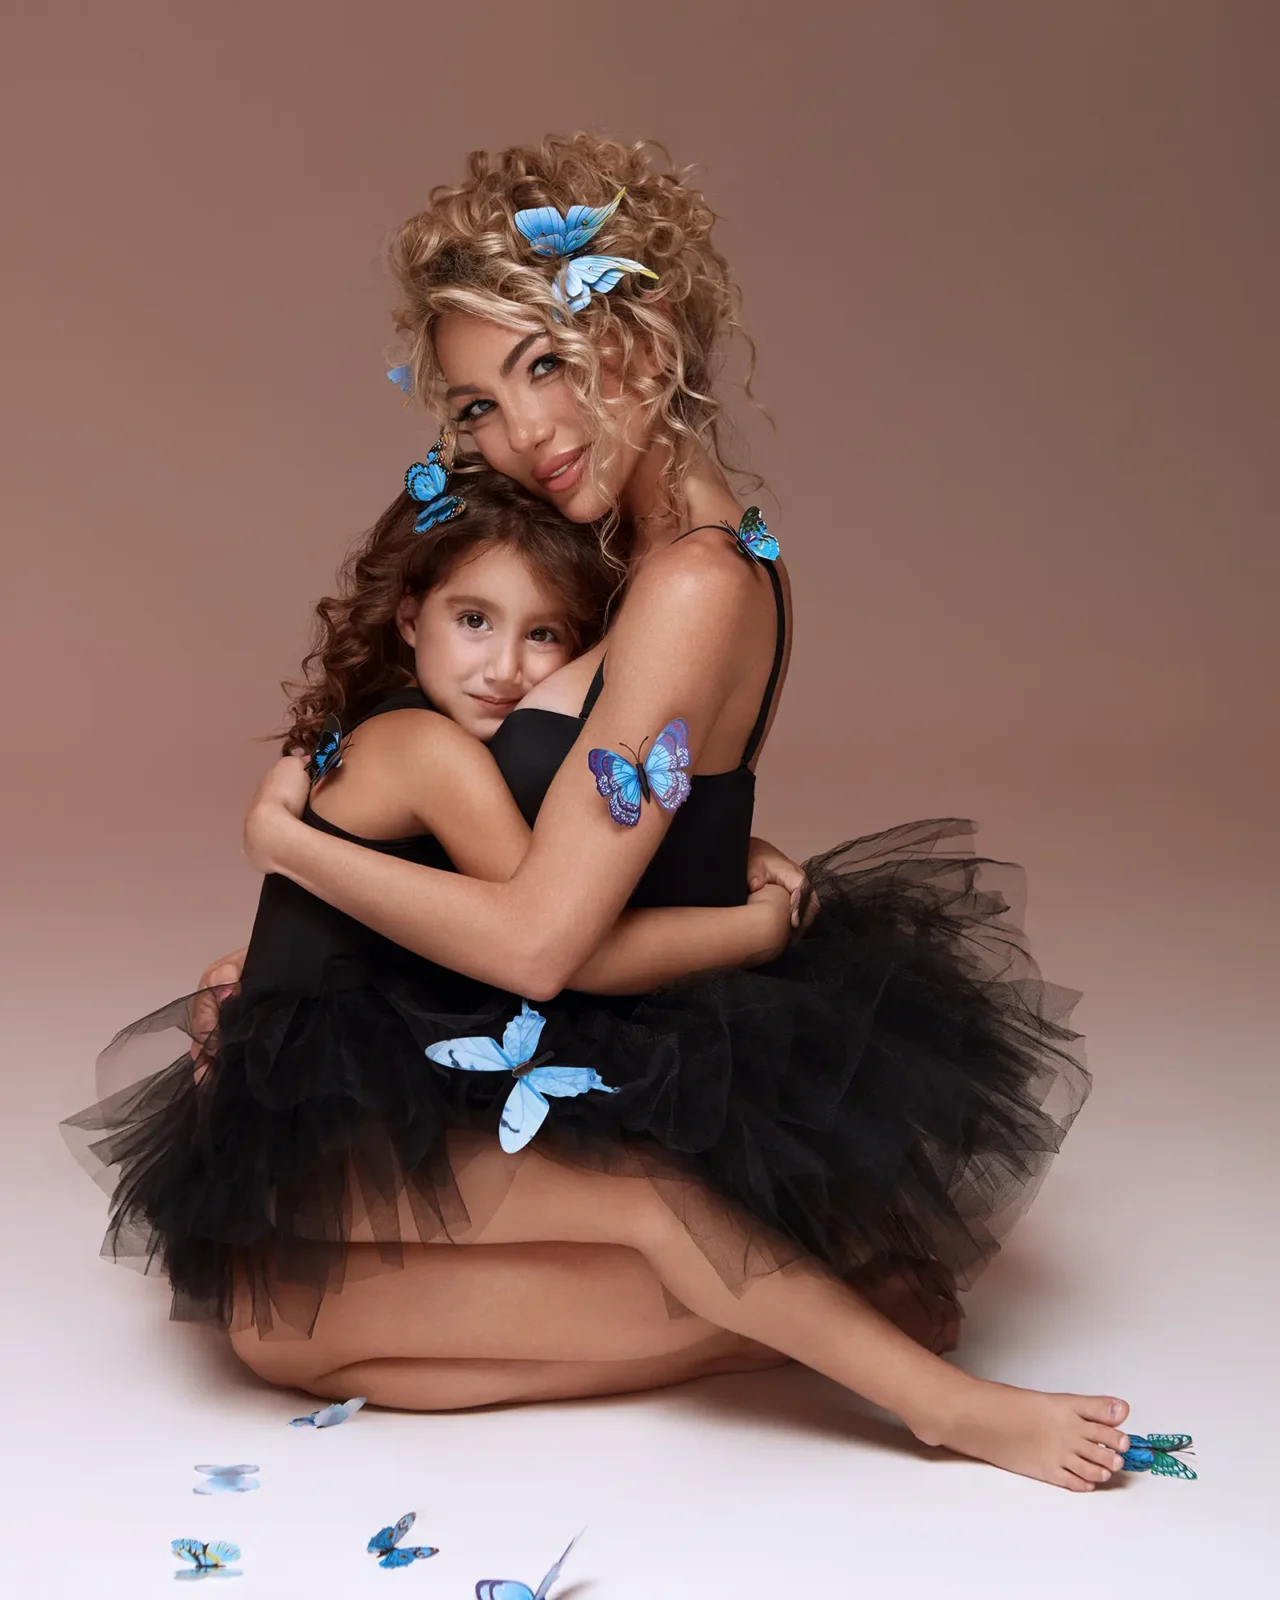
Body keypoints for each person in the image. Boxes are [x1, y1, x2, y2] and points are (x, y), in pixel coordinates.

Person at [88, 133, 1132, 1491]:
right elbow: (605, 826)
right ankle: (777, 1324)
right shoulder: (635, 554)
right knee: (273, 1329)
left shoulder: (695, 576)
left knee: (293, 1300)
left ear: (641, 329)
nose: (521, 433)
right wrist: (301, 978)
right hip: (550, 998)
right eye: (473, 403)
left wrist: (290, 849)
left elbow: (538, 937)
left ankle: (925, 1393)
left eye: (544, 364)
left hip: (568, 998)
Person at [64, 466, 797, 1338]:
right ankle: (737, 1344)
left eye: (545, 634)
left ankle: (758, 1342)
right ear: (412, 616)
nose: (504, 668)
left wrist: (734, 852)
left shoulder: (435, 734)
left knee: (282, 1329)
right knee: (279, 1331)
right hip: (433, 1022)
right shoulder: (433, 748)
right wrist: (750, 933)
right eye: (475, 620)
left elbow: (555, 894)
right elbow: (533, 920)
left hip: (485, 1011)